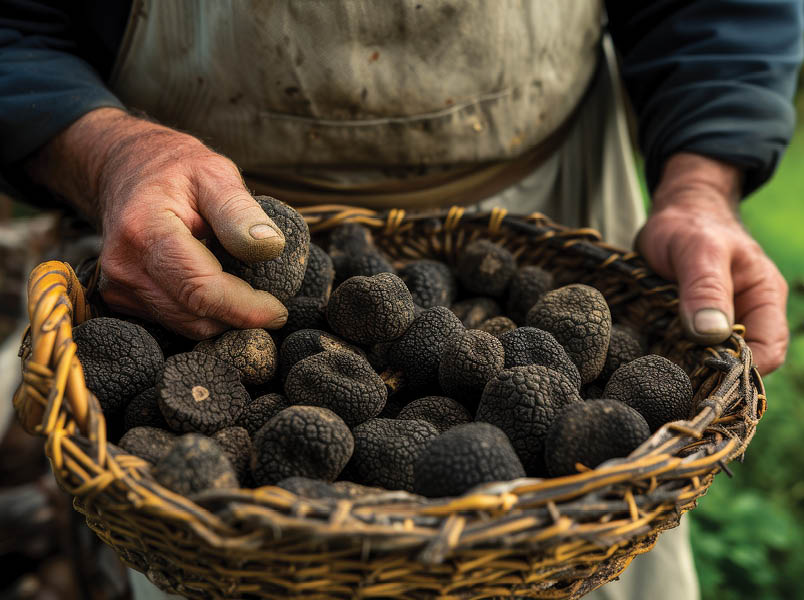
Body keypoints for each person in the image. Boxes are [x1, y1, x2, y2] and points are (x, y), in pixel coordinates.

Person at [1, 2, 800, 599]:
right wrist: (111, 155)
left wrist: (701, 185)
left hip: (545, 198)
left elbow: (721, 10)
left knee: (581, 547)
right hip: (194, 232)